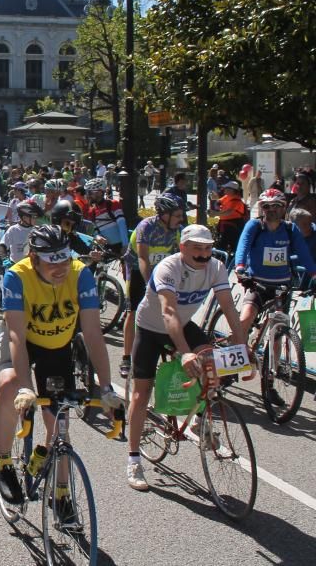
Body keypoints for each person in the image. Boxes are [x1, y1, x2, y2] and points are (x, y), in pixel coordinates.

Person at [0, 225, 122, 511]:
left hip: (55, 345)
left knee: (59, 420)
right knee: (9, 384)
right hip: (23, 339)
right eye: (52, 262)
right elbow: (16, 337)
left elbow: (92, 334)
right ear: (35, 258)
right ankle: (3, 462)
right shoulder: (17, 276)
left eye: (64, 259)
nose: (60, 267)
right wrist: (25, 386)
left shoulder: (80, 274)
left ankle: (60, 493)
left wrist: (107, 387)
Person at [125, 225, 247, 490]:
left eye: (207, 248)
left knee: (212, 360)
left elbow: (228, 306)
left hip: (184, 323)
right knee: (141, 394)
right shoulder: (168, 268)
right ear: (183, 248)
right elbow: (168, 312)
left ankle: (201, 421)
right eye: (197, 249)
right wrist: (185, 352)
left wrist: (242, 344)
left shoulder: (216, 267)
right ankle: (134, 459)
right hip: (151, 327)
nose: (203, 255)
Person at [234, 188, 316, 405]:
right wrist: (240, 267)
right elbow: (242, 246)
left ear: (283, 208)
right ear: (262, 208)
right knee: (245, 319)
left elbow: (306, 256)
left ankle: (270, 379)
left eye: (276, 206)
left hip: (282, 286)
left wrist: (314, 273)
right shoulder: (255, 226)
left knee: (277, 333)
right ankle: (234, 362)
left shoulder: (290, 230)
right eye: (266, 206)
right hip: (257, 283)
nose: (271, 210)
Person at [119, 194, 185, 379]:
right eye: (178, 215)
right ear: (165, 214)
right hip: (138, 270)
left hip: (161, 271)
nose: (181, 220)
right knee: (133, 311)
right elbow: (143, 259)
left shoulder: (176, 230)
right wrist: (150, 285)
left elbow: (178, 258)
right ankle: (126, 358)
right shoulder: (146, 227)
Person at [82, 178, 128, 256]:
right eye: (87, 192)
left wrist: (125, 245)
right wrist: (97, 237)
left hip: (121, 245)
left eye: (90, 192)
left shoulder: (113, 204)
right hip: (106, 248)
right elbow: (95, 230)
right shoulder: (92, 211)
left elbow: (122, 225)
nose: (88, 195)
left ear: (99, 192)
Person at [0, 199, 43, 264]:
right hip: (16, 265)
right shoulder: (13, 230)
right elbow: (2, 245)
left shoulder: (37, 230)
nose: (36, 219)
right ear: (24, 218)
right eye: (34, 216)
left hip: (32, 265)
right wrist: (5, 259)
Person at [209, 180, 247, 254]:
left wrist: (215, 214)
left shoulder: (236, 201)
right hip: (225, 224)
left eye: (227, 188)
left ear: (233, 190)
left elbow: (228, 212)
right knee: (222, 244)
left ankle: (228, 260)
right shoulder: (227, 197)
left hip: (234, 226)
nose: (224, 190)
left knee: (230, 245)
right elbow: (218, 201)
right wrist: (216, 201)